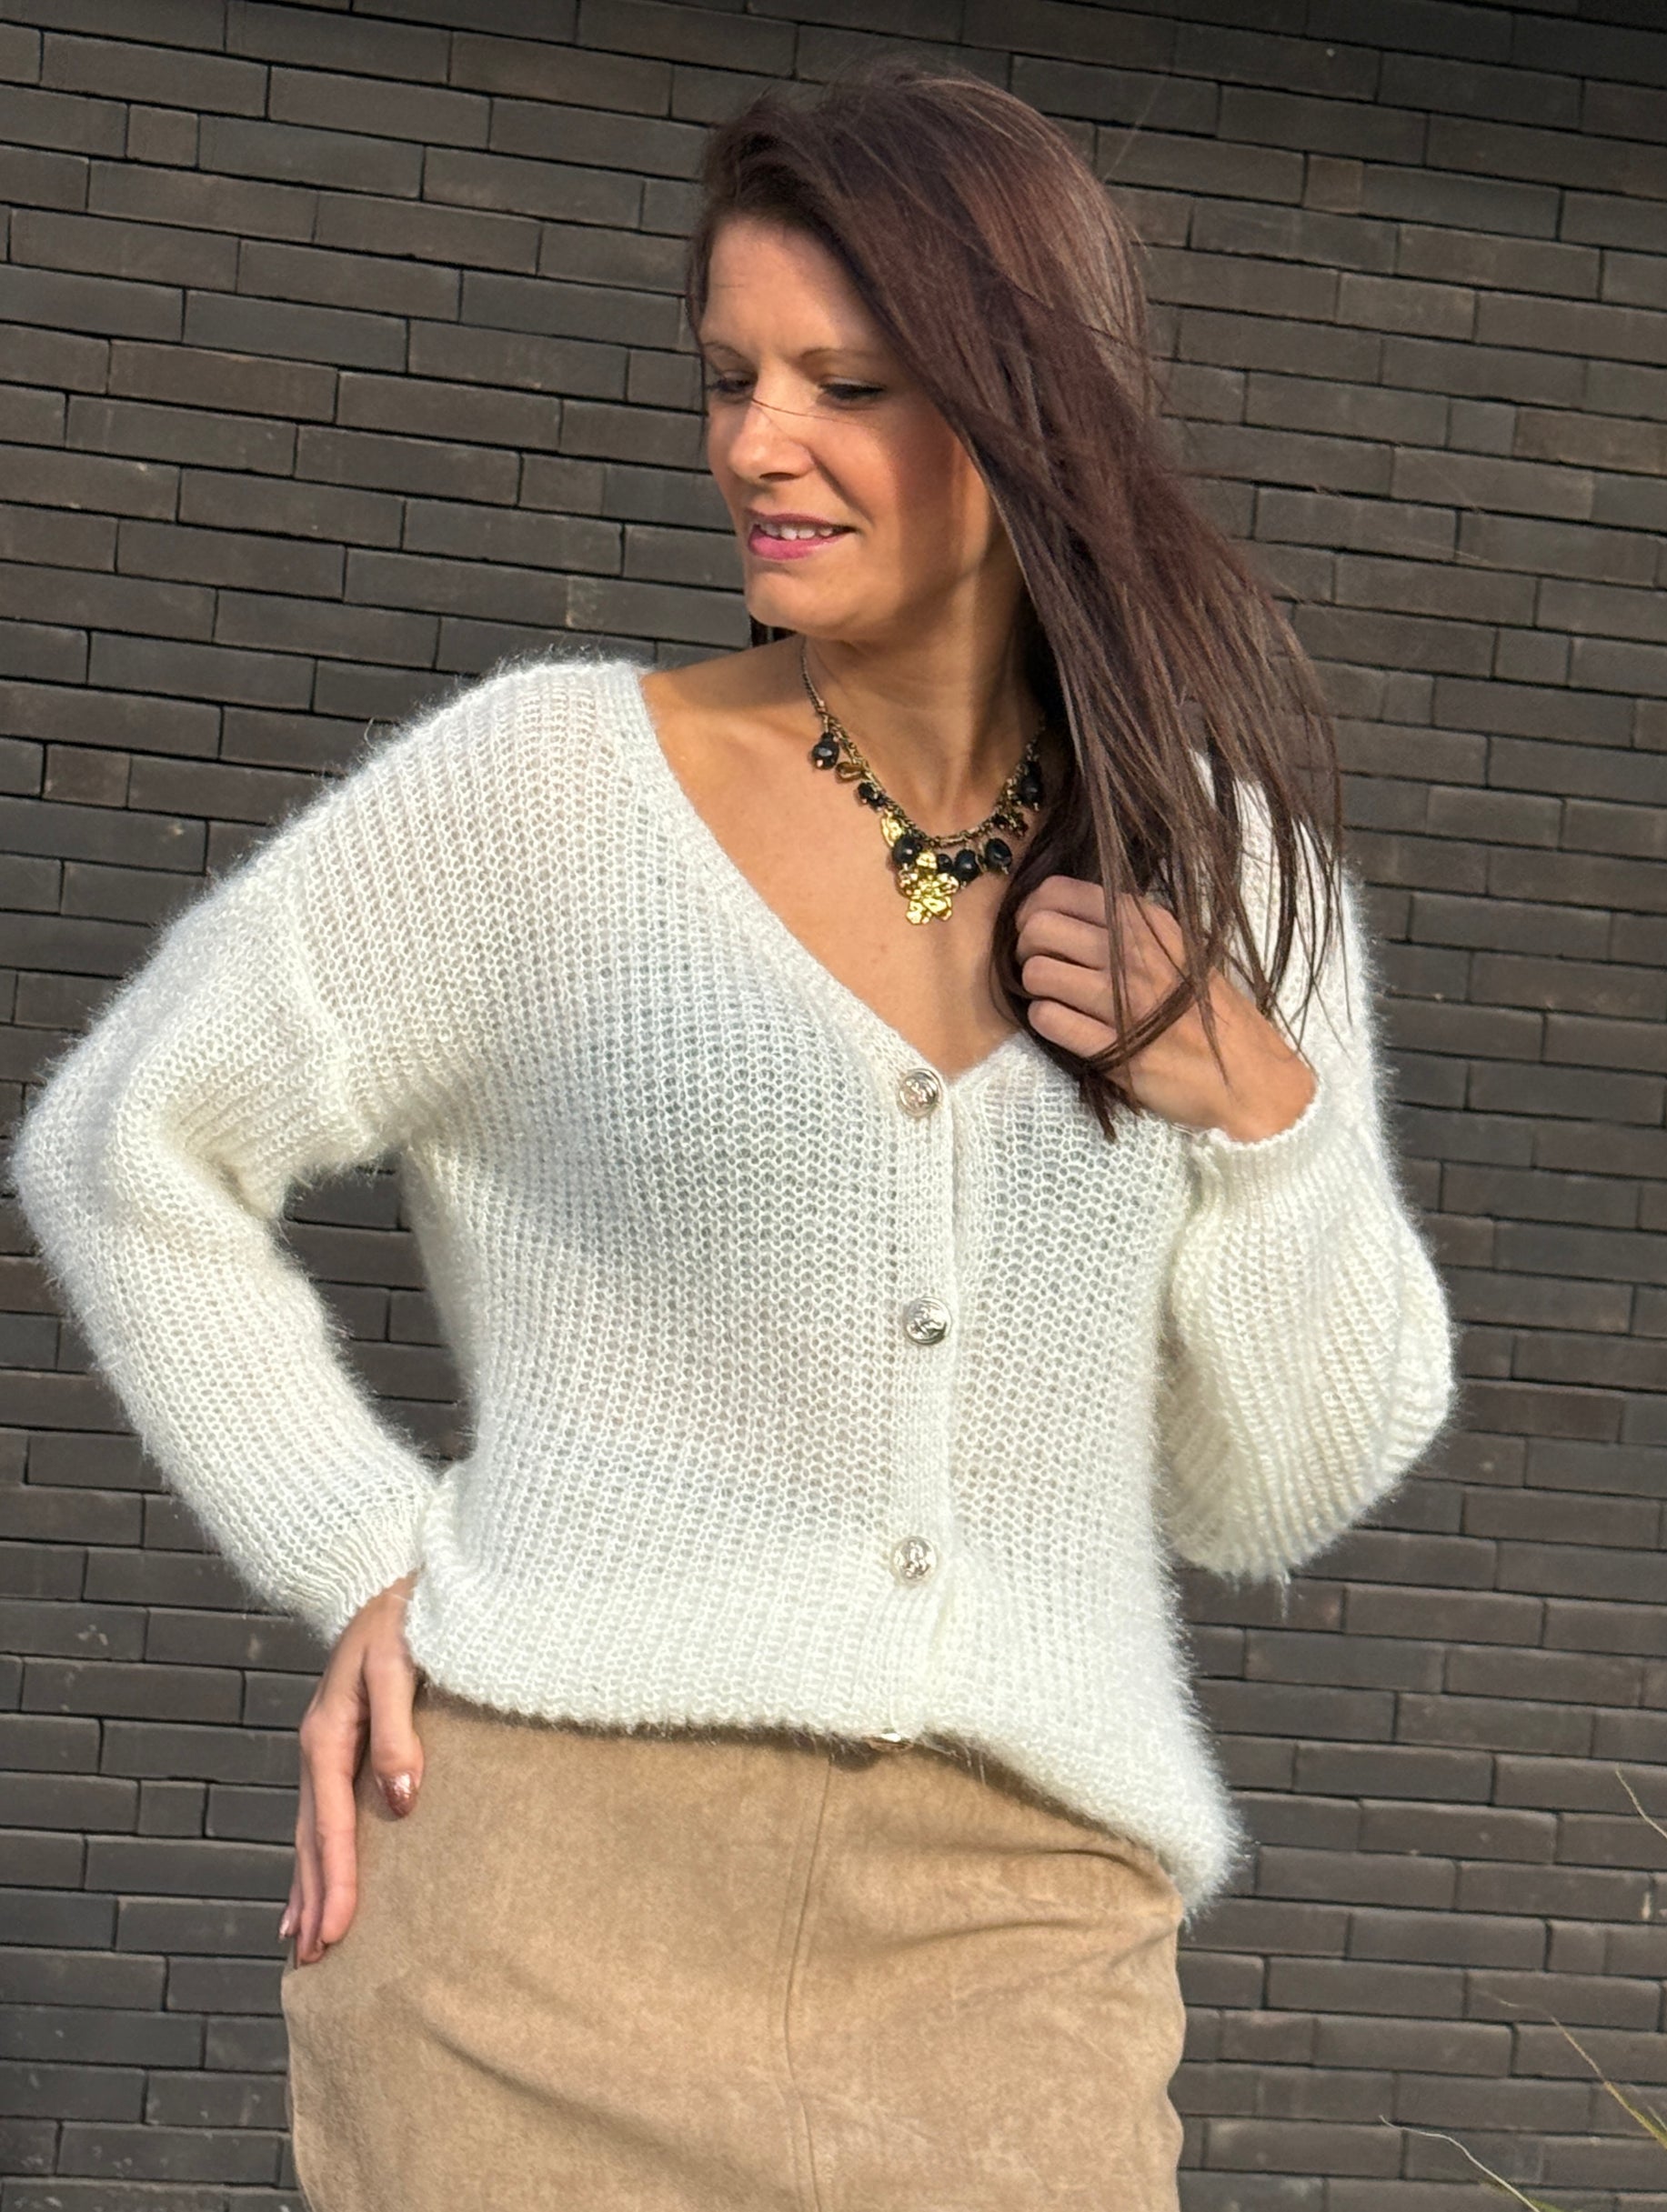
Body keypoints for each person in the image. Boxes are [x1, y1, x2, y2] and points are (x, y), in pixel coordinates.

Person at [5, 59, 1458, 2212]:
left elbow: (1274, 1488)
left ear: (1027, 409)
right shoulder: (544, 789)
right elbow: (127, 1141)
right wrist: (357, 1543)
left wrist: (1266, 1117)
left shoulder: (1231, 884)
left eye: (843, 384)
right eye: (728, 376)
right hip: (538, 1914)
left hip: (1016, 1948)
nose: (755, 443)